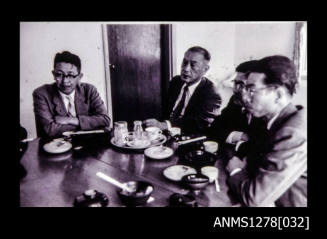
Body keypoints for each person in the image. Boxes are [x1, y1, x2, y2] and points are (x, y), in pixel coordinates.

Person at [226, 55, 307, 207]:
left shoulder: (293, 133)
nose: (244, 96)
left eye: (251, 90)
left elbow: (254, 199)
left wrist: (235, 171)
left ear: (278, 95)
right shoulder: (273, 121)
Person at [144, 46, 222, 135]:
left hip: (188, 137)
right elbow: (165, 111)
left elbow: (199, 124)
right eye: (184, 62)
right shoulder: (176, 82)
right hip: (164, 133)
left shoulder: (211, 94)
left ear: (205, 69)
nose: (186, 69)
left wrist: (165, 125)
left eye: (193, 64)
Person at [33, 51, 110, 139]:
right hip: (54, 147)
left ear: (79, 77)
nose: (65, 81)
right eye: (59, 74)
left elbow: (105, 120)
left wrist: (72, 120)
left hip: (87, 144)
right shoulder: (41, 94)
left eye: (71, 75)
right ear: (53, 75)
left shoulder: (89, 90)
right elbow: (50, 129)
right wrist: (89, 125)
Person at [207, 60, 267, 145]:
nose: (235, 89)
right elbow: (213, 129)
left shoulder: (268, 111)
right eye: (235, 83)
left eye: (241, 85)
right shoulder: (236, 101)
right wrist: (240, 136)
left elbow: (259, 144)